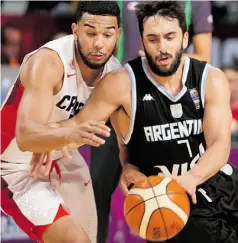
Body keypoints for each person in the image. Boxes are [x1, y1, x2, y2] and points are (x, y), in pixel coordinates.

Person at [31, 1, 238, 243]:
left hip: (220, 186)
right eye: (153, 39)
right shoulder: (120, 84)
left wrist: (190, 179)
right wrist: (41, 142)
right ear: (142, 41)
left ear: (185, 38)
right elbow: (77, 126)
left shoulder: (210, 78)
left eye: (170, 37)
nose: (162, 47)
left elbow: (220, 145)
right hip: (169, 202)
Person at [90, 1, 214, 241]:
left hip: (162, 109)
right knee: (96, 190)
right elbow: (100, 51)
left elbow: (204, 56)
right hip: (117, 103)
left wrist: (158, 57)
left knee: (161, 192)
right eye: (153, 39)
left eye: (169, 36)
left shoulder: (194, 2)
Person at [1, 1, 122, 243]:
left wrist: (131, 168)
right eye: (90, 33)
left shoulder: (113, 73)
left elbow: (119, 134)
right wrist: (63, 135)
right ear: (75, 30)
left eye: (107, 34)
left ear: (118, 34)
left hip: (63, 158)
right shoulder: (49, 61)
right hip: (13, 166)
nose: (99, 43)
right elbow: (26, 137)